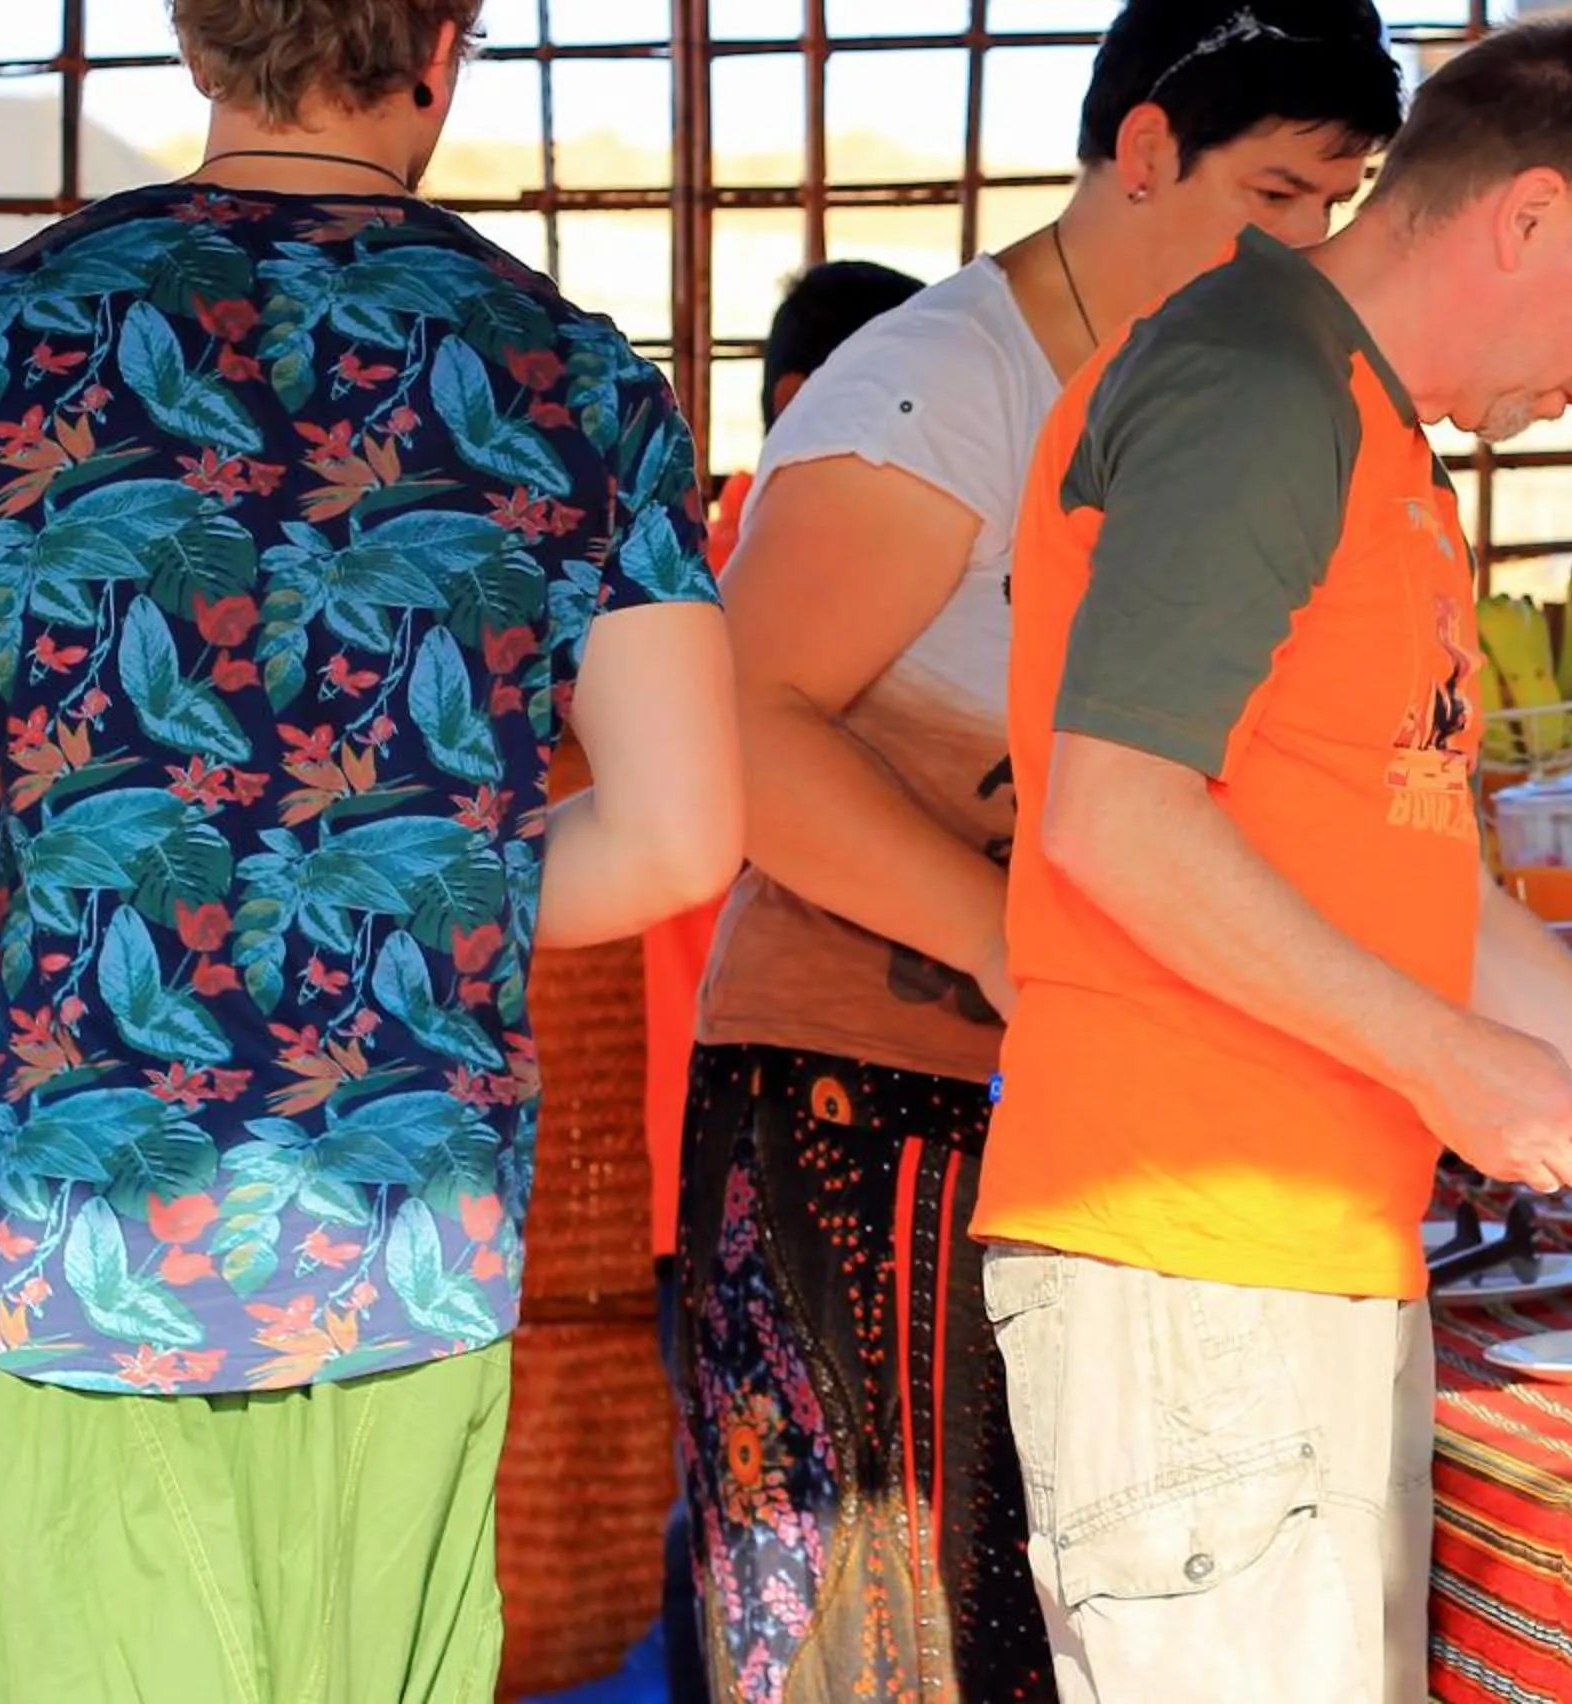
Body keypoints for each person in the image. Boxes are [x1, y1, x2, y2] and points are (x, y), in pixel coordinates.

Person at [976, 19, 1572, 1703]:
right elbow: (1112, 808)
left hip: (1295, 1258)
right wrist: (1440, 1060)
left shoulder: (1370, 434)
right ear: (1529, 214)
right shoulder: (1259, 386)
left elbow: (1434, 907)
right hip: (1194, 1255)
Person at [0, 2, 742, 1697]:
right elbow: (685, 836)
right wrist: (417, 883)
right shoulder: (565, 370)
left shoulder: (12, 333)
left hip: (69, 1238)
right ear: (442, 49)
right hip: (403, 1236)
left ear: (197, 47)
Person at [668, 4, 1404, 1699]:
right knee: (878, 1635)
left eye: (1335, 210)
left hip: (1094, 1109)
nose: (1307, 250)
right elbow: (740, 727)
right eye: (1281, 196)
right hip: (865, 1102)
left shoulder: (1225, 403)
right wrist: (1016, 941)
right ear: (1145, 150)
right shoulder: (940, 388)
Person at [641, 256, 923, 1704]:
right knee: (758, 1522)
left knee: (745, 1512)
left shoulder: (706, 571)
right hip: (729, 1119)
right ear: (821, 403)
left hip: (686, 1135)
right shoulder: (760, 583)